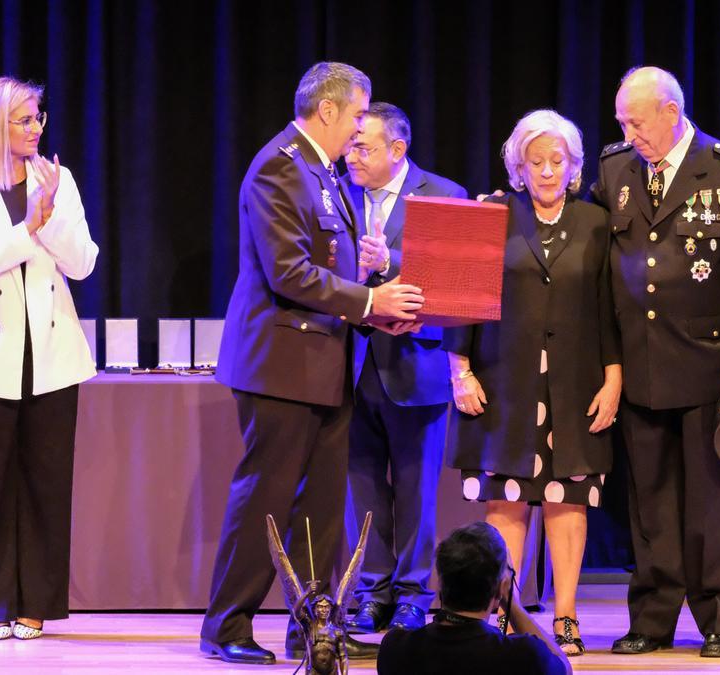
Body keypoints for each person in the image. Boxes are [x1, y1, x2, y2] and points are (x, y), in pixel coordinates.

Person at [200, 62, 424, 666]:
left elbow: (333, 270)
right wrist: (371, 300)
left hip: (325, 362)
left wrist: (374, 314)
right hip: (281, 363)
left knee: (323, 505)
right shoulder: (279, 167)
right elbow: (290, 272)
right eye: (355, 116)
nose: (359, 131)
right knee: (267, 498)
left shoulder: (319, 171)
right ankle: (227, 625)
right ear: (327, 111)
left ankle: (313, 626)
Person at [590, 66, 720, 658]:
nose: (627, 132)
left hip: (709, 363)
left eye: (635, 121)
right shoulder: (615, 167)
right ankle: (652, 617)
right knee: (651, 504)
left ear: (671, 112)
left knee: (713, 505)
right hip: (641, 364)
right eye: (622, 121)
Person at [445, 109, 621, 657]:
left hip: (575, 382)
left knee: (570, 503)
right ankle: (509, 615)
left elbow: (608, 308)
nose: (547, 171)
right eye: (535, 161)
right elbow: (463, 295)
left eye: (557, 161)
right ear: (518, 166)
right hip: (504, 381)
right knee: (507, 503)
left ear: (573, 166)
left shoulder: (596, 221)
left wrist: (613, 378)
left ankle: (566, 616)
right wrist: (460, 369)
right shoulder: (492, 213)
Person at [0, 76, 98, 640]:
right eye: (24, 120)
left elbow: (83, 264)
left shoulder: (59, 180)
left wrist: (48, 216)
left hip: (51, 357)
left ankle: (38, 604)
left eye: (39, 119)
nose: (35, 128)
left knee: (47, 484)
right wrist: (27, 225)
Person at [340, 102, 469, 634]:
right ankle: (371, 590)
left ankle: (416, 592)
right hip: (350, 362)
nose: (352, 156)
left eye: (363, 147)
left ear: (398, 150)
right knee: (362, 484)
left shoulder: (445, 196)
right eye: (350, 145)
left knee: (416, 489)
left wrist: (387, 265)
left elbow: (458, 280)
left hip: (417, 363)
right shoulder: (338, 194)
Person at [377, 522, 571, 675]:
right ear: (498, 590)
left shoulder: (395, 649)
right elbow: (563, 668)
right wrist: (512, 603)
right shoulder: (523, 655)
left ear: (440, 586)